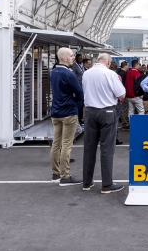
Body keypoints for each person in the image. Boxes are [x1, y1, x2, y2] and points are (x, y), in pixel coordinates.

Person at [81, 53, 126, 193]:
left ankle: (86, 182)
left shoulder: (86, 73)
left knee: (89, 147)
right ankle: (107, 184)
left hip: (90, 112)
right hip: (107, 111)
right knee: (107, 148)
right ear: (108, 62)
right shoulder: (110, 74)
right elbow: (121, 94)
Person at [49, 47, 83, 186]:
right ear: (64, 58)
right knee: (67, 145)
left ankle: (55, 173)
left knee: (56, 143)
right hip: (69, 112)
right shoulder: (69, 74)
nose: (73, 57)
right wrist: (75, 97)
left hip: (56, 112)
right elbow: (79, 93)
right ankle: (65, 176)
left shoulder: (53, 72)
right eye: (71, 56)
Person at [72, 53, 86, 125]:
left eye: (81, 58)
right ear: (76, 59)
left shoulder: (82, 65)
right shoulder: (74, 66)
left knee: (81, 104)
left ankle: (80, 119)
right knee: (79, 105)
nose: (81, 59)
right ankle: (78, 120)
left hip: (82, 87)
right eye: (79, 58)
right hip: (78, 87)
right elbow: (74, 76)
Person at [117, 61, 129, 130]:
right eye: (127, 65)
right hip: (123, 94)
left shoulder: (118, 73)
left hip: (119, 94)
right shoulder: (124, 74)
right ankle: (124, 123)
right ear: (125, 65)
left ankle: (124, 122)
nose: (128, 67)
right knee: (125, 109)